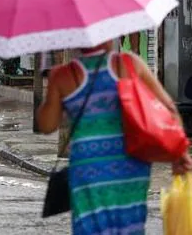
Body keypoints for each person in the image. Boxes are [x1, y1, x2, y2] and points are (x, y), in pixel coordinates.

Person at [37, 41, 192, 234]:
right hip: (131, 165)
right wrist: (179, 152)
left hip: (88, 171)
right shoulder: (130, 64)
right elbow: (169, 109)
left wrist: (49, 88)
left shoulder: (62, 76)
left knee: (90, 227)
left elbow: (47, 125)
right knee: (129, 226)